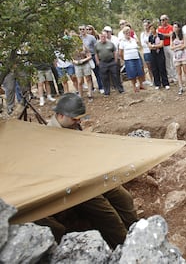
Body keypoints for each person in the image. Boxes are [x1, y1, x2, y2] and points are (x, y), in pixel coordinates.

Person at [38, 93, 138, 248]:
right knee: (107, 214)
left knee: (124, 198)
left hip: (89, 174)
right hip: (73, 185)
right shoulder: (47, 136)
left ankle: (139, 232)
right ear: (60, 115)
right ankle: (127, 248)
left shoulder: (72, 125)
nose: (78, 121)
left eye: (79, 118)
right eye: (74, 118)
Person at [95, 30, 125, 96]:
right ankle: (107, 92)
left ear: (106, 36)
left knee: (116, 76)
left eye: (104, 36)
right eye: (101, 36)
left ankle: (120, 89)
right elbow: (96, 54)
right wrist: (98, 62)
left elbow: (115, 51)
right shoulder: (97, 45)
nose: (103, 38)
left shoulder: (110, 43)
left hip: (111, 61)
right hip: (103, 62)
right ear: (100, 37)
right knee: (104, 77)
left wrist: (115, 60)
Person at [119, 26, 145, 93]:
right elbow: (120, 53)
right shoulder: (122, 41)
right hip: (128, 59)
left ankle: (141, 84)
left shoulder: (133, 40)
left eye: (129, 32)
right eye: (126, 33)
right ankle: (134, 86)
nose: (128, 34)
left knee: (139, 71)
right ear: (124, 33)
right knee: (132, 73)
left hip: (136, 57)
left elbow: (138, 47)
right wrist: (124, 59)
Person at [79, 25, 103, 93]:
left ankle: (101, 87)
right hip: (84, 57)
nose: (82, 31)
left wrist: (97, 57)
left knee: (97, 72)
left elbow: (96, 48)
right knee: (88, 74)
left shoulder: (91, 37)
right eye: (80, 29)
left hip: (92, 55)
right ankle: (91, 88)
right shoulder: (79, 38)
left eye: (83, 29)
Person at [171, 22, 186, 95]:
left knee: (185, 71)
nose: (175, 29)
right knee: (179, 72)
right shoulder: (172, 36)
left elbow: (185, 45)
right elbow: (171, 47)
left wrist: (177, 47)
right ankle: (181, 87)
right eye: (174, 27)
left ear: (179, 28)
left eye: (176, 27)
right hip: (176, 56)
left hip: (183, 55)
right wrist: (179, 46)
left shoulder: (183, 35)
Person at [148, 24, 170, 90]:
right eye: (150, 29)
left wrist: (153, 46)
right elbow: (149, 46)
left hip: (160, 54)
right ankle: (157, 83)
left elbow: (161, 44)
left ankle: (165, 83)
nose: (152, 30)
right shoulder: (150, 37)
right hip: (153, 54)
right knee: (154, 69)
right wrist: (153, 46)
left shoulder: (160, 35)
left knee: (162, 68)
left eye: (153, 29)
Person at [158, 15, 177, 82]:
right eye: (161, 20)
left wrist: (162, 34)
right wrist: (165, 35)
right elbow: (159, 36)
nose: (162, 21)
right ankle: (170, 77)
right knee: (167, 63)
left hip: (170, 45)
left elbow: (171, 35)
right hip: (164, 46)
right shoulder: (159, 28)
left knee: (173, 61)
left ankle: (175, 77)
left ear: (167, 20)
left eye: (163, 20)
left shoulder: (171, 27)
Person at [140, 20, 154, 85]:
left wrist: (148, 44)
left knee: (155, 66)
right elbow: (143, 44)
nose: (145, 27)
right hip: (146, 52)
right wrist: (149, 44)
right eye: (144, 26)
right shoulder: (142, 34)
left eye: (146, 25)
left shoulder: (151, 33)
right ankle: (152, 80)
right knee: (149, 67)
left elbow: (153, 42)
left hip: (153, 51)